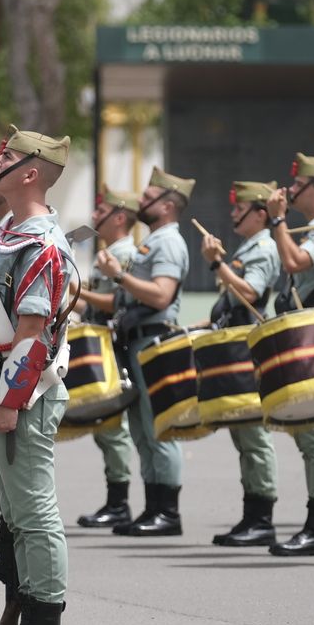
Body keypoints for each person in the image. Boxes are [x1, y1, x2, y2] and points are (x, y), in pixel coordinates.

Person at [0, 126, 73, 625]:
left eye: (7, 156)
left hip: (23, 391)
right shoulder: (8, 232)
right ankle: (26, 623)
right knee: (16, 513)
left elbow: (33, 333)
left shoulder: (39, 242)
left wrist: (9, 400)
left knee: (34, 514)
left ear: (31, 172)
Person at [96, 167, 194, 537]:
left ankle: (168, 512)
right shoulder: (152, 240)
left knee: (158, 430)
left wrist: (119, 275)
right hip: (135, 339)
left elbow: (161, 295)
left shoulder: (168, 241)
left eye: (149, 197)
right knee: (141, 429)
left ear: (167, 206)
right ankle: (153, 506)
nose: (141, 202)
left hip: (153, 341)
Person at [262, 153, 314, 553]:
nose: (290, 189)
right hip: (301, 335)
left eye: (299, 185)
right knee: (306, 435)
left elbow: (295, 261)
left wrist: (277, 221)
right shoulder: (313, 226)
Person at [198, 180, 282, 547]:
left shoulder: (263, 247)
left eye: (239, 209)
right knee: (242, 434)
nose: (233, 214)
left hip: (246, 347)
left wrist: (217, 263)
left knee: (253, 436)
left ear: (259, 214)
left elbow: (250, 292)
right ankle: (252, 514)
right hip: (233, 345)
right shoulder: (250, 246)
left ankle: (262, 517)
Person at [71, 188, 140, 528]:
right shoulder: (109, 252)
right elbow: (93, 305)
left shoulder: (125, 253)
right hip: (97, 340)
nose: (95, 215)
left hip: (111, 344)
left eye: (102, 210)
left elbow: (115, 303)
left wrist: (77, 291)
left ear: (120, 217)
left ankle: (119, 502)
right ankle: (115, 501)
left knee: (113, 427)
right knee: (104, 427)